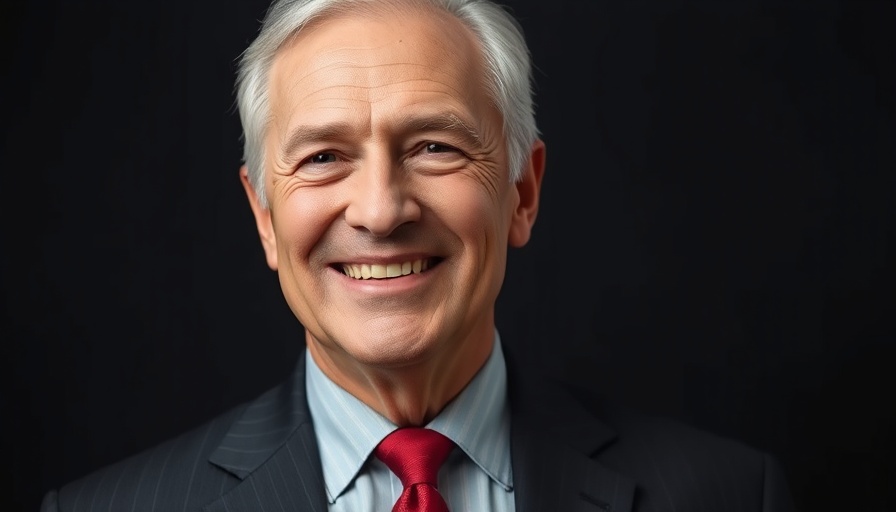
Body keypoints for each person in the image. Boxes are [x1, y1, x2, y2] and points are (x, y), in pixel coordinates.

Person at [40, 0, 795, 510]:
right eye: (325, 157)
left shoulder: (728, 493)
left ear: (523, 194)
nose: (379, 210)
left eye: (435, 146)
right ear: (264, 218)